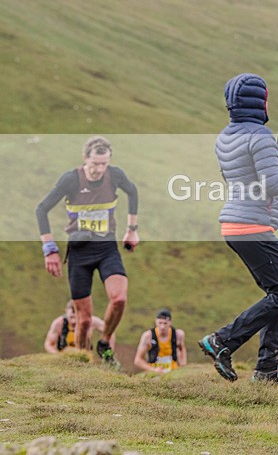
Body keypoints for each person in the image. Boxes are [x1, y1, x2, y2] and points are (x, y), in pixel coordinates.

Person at [198, 73, 278, 386]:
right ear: (262, 101)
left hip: (233, 224)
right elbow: (271, 187)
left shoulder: (224, 137)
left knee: (276, 293)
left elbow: (236, 179)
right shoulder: (260, 137)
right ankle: (222, 340)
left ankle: (268, 367)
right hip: (254, 226)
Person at [36, 136, 139, 368]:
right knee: (82, 321)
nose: (99, 169)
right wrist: (49, 249)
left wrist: (132, 229)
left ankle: (103, 343)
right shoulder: (71, 179)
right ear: (85, 158)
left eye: (104, 164)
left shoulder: (115, 175)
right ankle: (84, 364)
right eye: (95, 164)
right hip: (79, 253)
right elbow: (41, 209)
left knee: (120, 298)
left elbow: (133, 192)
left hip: (106, 248)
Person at [43, 300, 114, 354]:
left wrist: (108, 352)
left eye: (77, 318)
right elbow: (48, 344)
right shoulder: (58, 323)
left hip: (85, 358)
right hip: (64, 358)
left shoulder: (91, 321)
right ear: (66, 311)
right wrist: (57, 356)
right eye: (71, 317)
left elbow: (110, 331)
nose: (74, 321)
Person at [134, 308, 187, 374]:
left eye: (165, 323)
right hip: (154, 372)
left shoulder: (178, 334)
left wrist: (183, 365)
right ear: (156, 321)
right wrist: (153, 370)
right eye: (160, 323)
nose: (162, 327)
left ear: (170, 322)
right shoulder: (148, 336)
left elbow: (182, 349)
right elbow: (137, 360)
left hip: (173, 371)